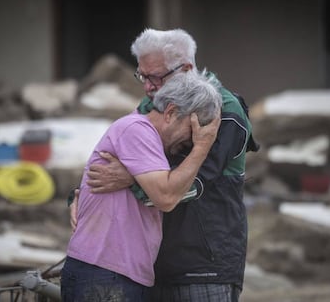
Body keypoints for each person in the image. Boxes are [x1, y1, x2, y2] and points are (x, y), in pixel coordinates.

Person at [69, 28, 259, 302]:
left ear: (187, 68)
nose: (147, 86)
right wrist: (82, 193)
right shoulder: (152, 105)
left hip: (203, 267)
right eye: (142, 76)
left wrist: (132, 178)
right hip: (153, 266)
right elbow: (118, 154)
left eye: (155, 77)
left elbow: (192, 182)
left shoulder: (223, 112)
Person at [61, 71, 222, 302]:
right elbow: (166, 197)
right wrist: (202, 147)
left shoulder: (147, 139)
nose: (191, 140)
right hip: (105, 274)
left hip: (116, 275)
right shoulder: (137, 130)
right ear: (171, 112)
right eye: (191, 130)